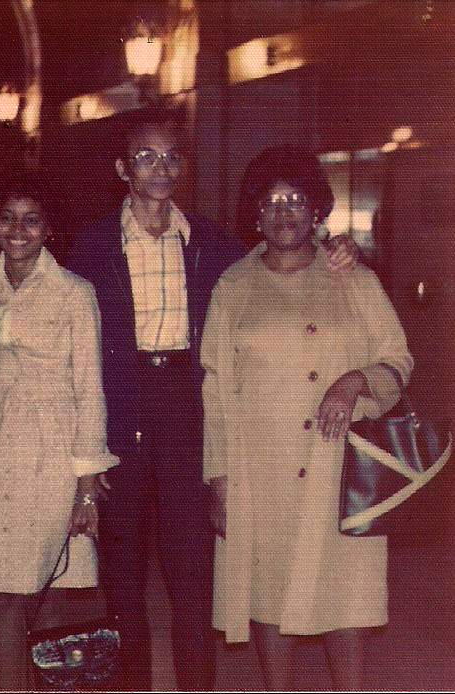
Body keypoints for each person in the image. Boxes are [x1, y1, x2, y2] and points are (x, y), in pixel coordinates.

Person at [66, 106, 359, 691]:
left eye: (172, 157)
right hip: (120, 409)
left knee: (193, 577)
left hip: (188, 408)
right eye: (146, 157)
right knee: (122, 578)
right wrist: (83, 459)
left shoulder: (213, 242)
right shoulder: (91, 244)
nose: (161, 168)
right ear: (122, 167)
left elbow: (284, 253)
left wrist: (333, 241)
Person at [201, 147, 413, 690]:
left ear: (317, 210)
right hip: (260, 465)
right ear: (255, 215)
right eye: (271, 203)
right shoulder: (232, 287)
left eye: (296, 200)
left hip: (335, 462)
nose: (285, 213)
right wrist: (219, 479)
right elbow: (217, 390)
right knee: (271, 595)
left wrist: (354, 381)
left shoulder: (352, 277)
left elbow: (398, 359)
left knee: (343, 595)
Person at [0, 178, 118, 689]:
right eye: (7, 217)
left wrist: (87, 487)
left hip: (55, 449)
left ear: (49, 229)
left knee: (51, 591)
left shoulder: (74, 291)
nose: (18, 230)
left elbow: (91, 389)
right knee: (0, 592)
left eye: (32, 219)